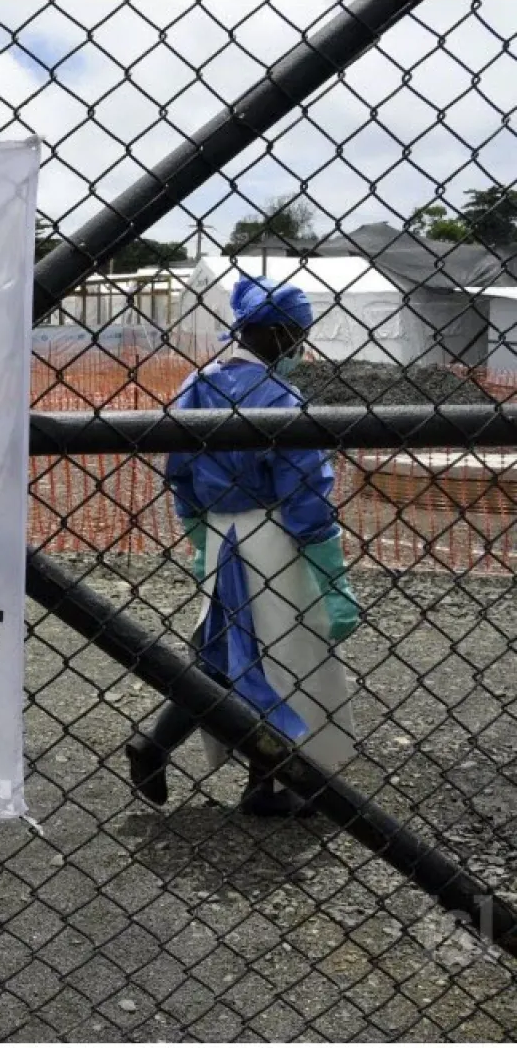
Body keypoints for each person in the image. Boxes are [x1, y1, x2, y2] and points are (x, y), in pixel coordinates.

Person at [124, 274, 362, 818]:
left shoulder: (196, 385)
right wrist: (333, 577)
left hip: (221, 532)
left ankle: (158, 745)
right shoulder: (281, 398)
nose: (301, 345)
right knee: (283, 659)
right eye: (299, 333)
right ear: (278, 334)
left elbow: (179, 472)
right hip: (274, 539)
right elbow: (304, 493)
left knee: (223, 656)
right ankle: (269, 784)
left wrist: (200, 539)